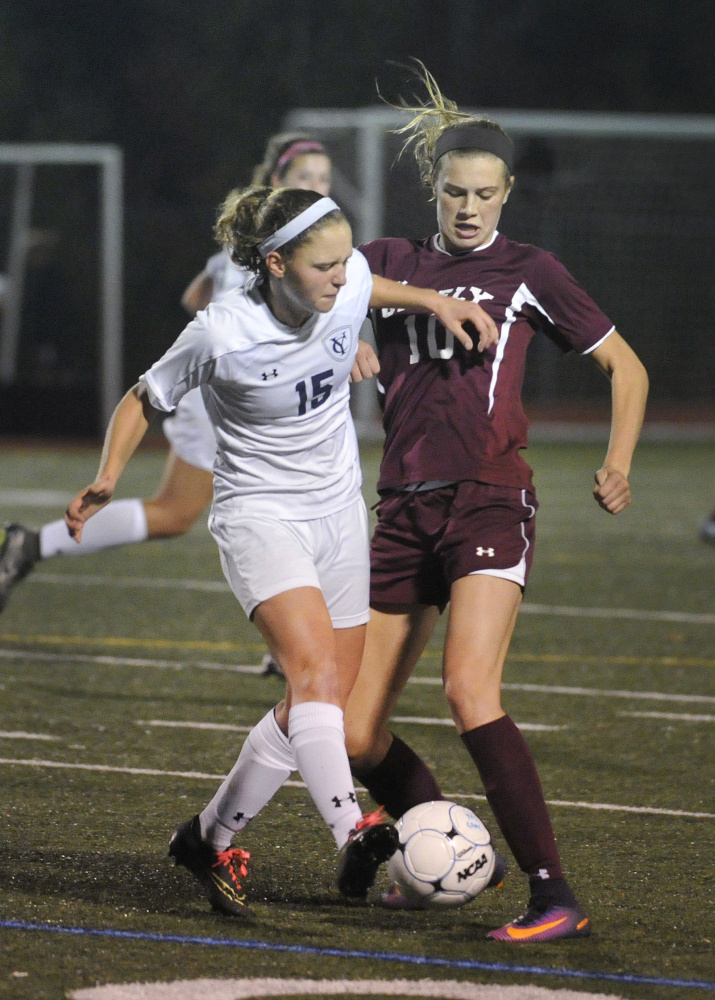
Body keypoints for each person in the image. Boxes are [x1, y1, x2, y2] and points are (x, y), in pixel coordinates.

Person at [64, 185, 498, 918]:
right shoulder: (221, 330)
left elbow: (370, 280)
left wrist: (430, 301)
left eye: (344, 262)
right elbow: (144, 396)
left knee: (315, 700)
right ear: (274, 264)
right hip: (260, 518)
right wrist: (108, 475)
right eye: (324, 265)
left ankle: (207, 838)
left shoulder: (348, 281)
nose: (343, 275)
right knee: (315, 674)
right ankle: (354, 829)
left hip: (337, 517)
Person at [338, 66, 649, 943]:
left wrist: (617, 460)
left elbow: (627, 366)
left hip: (488, 499)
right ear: (430, 190)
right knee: (357, 735)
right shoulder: (390, 262)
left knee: (469, 690)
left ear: (507, 192)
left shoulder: (529, 270)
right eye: (453, 192)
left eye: (484, 193)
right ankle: (453, 843)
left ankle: (556, 895)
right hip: (400, 507)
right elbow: (313, 285)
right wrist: (385, 309)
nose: (468, 208)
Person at [0, 133, 333, 621]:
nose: (318, 188)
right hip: (232, 398)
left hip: (256, 394)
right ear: (278, 183)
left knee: (204, 512)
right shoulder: (269, 248)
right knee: (280, 506)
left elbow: (194, 294)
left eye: (324, 179)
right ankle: (300, 635)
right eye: (306, 178)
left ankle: (29, 545)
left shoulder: (268, 240)